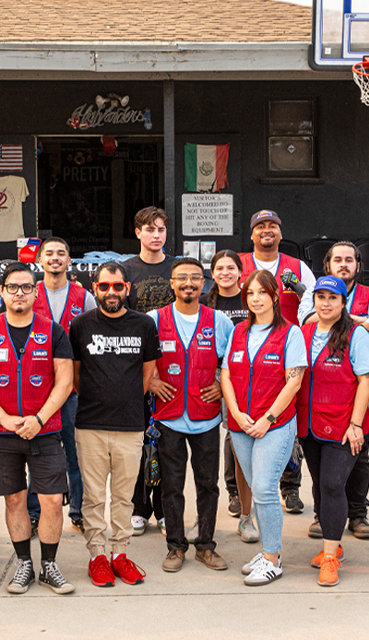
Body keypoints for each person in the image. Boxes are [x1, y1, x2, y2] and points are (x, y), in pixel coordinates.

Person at [0, 263, 76, 595]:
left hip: (45, 431)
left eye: (27, 287)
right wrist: (3, 418)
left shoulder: (53, 331)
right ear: (1, 292)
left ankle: (49, 566)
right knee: (14, 500)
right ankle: (24, 563)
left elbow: (65, 381)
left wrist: (39, 419)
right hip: (0, 433)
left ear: (36, 292)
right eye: (12, 287)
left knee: (52, 500)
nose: (19, 293)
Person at [69, 262, 159, 587]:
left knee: (124, 496)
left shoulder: (144, 324)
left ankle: (119, 554)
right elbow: (75, 376)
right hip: (90, 424)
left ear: (127, 288)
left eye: (117, 286)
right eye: (104, 286)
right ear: (95, 288)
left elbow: (147, 374)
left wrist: (126, 400)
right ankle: (97, 556)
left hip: (130, 425)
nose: (111, 292)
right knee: (93, 497)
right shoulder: (80, 325)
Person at [220, 270, 307, 587]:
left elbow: (294, 382)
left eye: (262, 292)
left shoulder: (290, 333)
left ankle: (272, 559)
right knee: (257, 487)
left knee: (266, 488)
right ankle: (269, 551)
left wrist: (268, 418)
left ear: (275, 296)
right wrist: (235, 412)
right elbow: (226, 375)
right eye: (250, 293)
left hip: (274, 425)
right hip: (241, 424)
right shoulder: (238, 331)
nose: (255, 298)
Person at [148, 257, 235, 573]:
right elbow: (141, 360)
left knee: (208, 484)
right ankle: (175, 546)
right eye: (181, 277)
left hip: (206, 417)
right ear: (172, 283)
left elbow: (233, 362)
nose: (188, 283)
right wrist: (151, 381)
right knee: (171, 485)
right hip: (168, 417)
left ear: (204, 283)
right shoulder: (154, 320)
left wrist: (221, 385)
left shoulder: (219, 321)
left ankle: (206, 546)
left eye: (195, 277)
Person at [300, 241, 369, 541]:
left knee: (356, 459)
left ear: (358, 265)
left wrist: (349, 320)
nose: (343, 264)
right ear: (327, 265)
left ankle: (358, 514)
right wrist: (359, 320)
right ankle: (324, 515)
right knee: (323, 471)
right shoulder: (311, 306)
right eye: (337, 259)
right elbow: (307, 320)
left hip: (362, 400)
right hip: (317, 406)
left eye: (349, 259)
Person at [296, 276, 369, 587]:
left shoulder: (356, 334)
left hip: (343, 426)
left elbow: (366, 380)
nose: (326, 303)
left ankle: (330, 557)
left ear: (344, 303)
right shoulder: (303, 332)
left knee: (332, 484)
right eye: (321, 297)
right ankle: (333, 542)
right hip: (310, 425)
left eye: (333, 298)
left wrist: (355, 424)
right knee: (319, 484)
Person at [238, 210, 315, 514]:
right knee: (240, 424)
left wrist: (299, 290)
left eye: (272, 226)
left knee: (287, 419)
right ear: (252, 234)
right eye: (260, 226)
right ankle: (237, 491)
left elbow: (314, 303)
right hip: (247, 351)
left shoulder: (297, 267)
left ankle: (290, 486)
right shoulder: (240, 264)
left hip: (288, 352)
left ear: (281, 234)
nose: (266, 230)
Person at [28, 236, 97, 534]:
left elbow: (93, 343)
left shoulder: (84, 298)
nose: (54, 258)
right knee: (35, 453)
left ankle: (78, 511)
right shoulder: (29, 293)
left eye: (60, 253)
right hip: (36, 388)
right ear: (40, 260)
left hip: (73, 390)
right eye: (49, 253)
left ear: (69, 260)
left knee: (75, 453)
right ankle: (33, 513)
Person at [121, 207, 174, 536]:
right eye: (149, 229)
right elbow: (123, 323)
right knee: (137, 442)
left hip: (172, 371)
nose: (156, 235)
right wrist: (145, 374)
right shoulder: (126, 270)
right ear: (138, 232)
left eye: (161, 229)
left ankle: (166, 509)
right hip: (137, 370)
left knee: (168, 444)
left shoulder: (177, 268)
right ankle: (139, 508)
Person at [205, 250, 258, 543]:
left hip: (245, 379)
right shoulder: (204, 303)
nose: (225, 273)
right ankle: (217, 505)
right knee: (208, 448)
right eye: (219, 268)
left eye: (231, 268)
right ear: (212, 273)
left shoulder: (251, 299)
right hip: (211, 380)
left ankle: (246, 510)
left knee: (242, 449)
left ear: (240, 271)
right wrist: (215, 381)